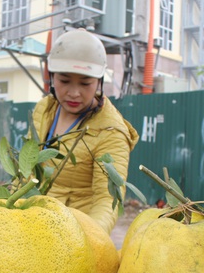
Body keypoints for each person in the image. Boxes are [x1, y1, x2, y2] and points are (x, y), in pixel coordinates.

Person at [32, 28, 139, 234]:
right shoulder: (44, 110)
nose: (73, 93)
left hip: (76, 233)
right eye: (64, 81)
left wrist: (88, 239)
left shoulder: (112, 132)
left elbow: (107, 201)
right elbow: (27, 173)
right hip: (36, 224)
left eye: (85, 83)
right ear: (52, 77)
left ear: (99, 81)